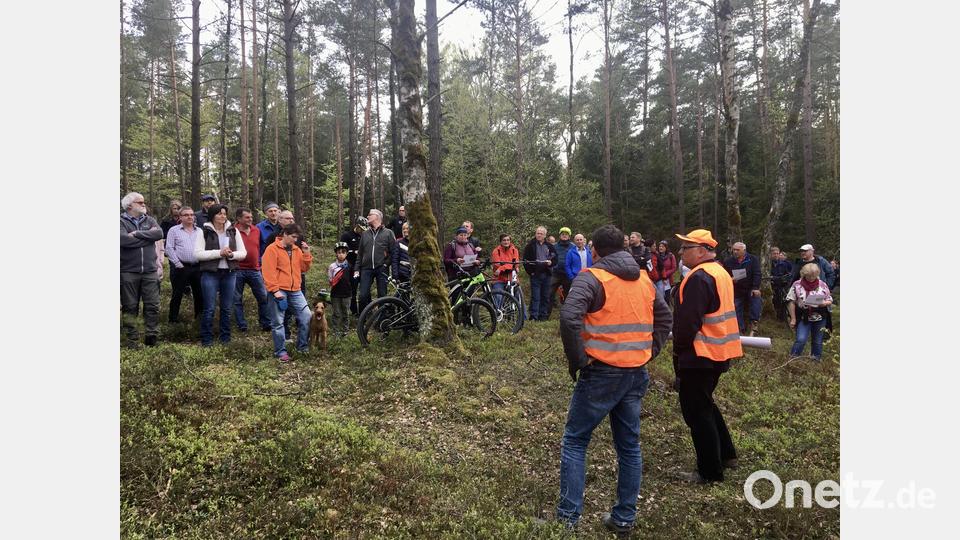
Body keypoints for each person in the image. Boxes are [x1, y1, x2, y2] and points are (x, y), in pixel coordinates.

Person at [556, 224, 672, 533]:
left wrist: (579, 360)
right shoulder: (645, 280)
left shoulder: (590, 277)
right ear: (623, 248)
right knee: (629, 447)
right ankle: (624, 518)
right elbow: (665, 318)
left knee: (575, 441)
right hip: (636, 373)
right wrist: (649, 351)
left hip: (602, 373)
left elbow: (568, 318)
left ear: (594, 249)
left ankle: (567, 520)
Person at [672, 229, 743, 484]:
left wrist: (678, 352)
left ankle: (710, 472)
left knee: (696, 412)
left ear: (701, 250)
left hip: (699, 355)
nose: (680, 253)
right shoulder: (720, 272)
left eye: (685, 248)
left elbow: (687, 322)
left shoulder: (700, 278)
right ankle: (727, 454)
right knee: (705, 404)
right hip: (717, 352)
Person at [193, 204, 246, 346]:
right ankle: (207, 340)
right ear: (212, 215)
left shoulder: (233, 231)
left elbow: (243, 253)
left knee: (227, 308)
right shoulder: (203, 231)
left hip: (229, 273)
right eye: (219, 214)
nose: (223, 216)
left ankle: (225, 338)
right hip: (210, 274)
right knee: (209, 308)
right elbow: (197, 254)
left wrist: (231, 255)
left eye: (224, 213)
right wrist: (219, 253)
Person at [262, 223, 313, 361]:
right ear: (284, 234)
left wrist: (307, 253)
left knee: (306, 316)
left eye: (297, 237)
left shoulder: (297, 250)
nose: (295, 240)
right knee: (278, 322)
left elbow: (303, 268)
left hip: (295, 290)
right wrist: (275, 290)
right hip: (279, 290)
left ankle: (302, 347)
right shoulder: (272, 249)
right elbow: (267, 271)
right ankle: (280, 352)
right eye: (293, 237)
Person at [120, 192, 163, 347]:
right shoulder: (120, 221)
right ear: (129, 205)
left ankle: (151, 337)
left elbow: (159, 233)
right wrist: (147, 239)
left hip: (150, 271)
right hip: (128, 271)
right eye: (140, 202)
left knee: (152, 306)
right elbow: (122, 240)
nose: (144, 204)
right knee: (130, 306)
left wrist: (137, 234)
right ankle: (131, 340)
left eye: (144, 202)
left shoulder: (150, 220)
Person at [233, 207, 271, 332]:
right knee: (237, 299)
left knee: (263, 297)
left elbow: (260, 247)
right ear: (239, 219)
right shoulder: (232, 231)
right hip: (237, 269)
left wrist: (260, 261)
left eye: (251, 217)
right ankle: (242, 325)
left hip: (255, 270)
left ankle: (265, 323)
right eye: (247, 217)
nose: (250, 219)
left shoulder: (256, 230)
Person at [787, 263, 834, 361]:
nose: (812, 278)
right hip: (803, 316)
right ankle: (792, 359)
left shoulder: (822, 284)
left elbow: (830, 299)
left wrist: (824, 303)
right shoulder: (797, 285)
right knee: (801, 339)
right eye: (809, 276)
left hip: (820, 316)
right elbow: (791, 301)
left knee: (817, 341)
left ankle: (815, 360)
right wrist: (793, 318)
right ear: (804, 274)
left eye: (814, 275)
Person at [164, 206, 204, 324]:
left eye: (191, 214)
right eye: (186, 215)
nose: (190, 217)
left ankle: (199, 319)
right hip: (181, 267)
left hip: (197, 267)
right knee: (177, 294)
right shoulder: (174, 230)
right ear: (180, 217)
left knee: (199, 294)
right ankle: (173, 320)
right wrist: (177, 263)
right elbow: (169, 248)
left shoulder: (200, 231)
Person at [356, 209, 397, 314]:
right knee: (363, 295)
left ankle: (381, 321)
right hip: (366, 268)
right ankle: (363, 319)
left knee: (382, 296)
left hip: (381, 269)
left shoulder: (388, 233)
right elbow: (360, 253)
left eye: (370, 215)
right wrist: (357, 268)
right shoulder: (365, 234)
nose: (367, 216)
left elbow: (394, 252)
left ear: (377, 217)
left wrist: (386, 264)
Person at [793, 243, 835, 334]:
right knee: (803, 310)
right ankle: (802, 331)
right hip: (803, 292)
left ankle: (825, 334)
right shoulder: (799, 262)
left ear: (812, 251)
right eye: (801, 251)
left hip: (819, 291)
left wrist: (827, 286)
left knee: (823, 311)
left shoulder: (820, 261)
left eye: (805, 251)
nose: (803, 253)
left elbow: (831, 273)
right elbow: (794, 276)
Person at [723, 241, 763, 336]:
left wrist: (755, 287)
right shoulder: (728, 261)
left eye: (737, 250)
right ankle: (740, 329)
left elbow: (757, 273)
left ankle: (754, 324)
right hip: (736, 289)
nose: (735, 252)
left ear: (744, 250)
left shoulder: (753, 259)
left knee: (756, 299)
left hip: (750, 287)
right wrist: (730, 279)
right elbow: (724, 275)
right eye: (734, 250)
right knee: (736, 306)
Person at [522, 226, 558, 321]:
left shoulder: (550, 246)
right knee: (536, 297)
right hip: (536, 275)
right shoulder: (530, 245)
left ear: (545, 235)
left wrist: (551, 263)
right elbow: (525, 260)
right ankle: (534, 316)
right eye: (538, 233)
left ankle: (543, 316)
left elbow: (555, 259)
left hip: (547, 274)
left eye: (541, 233)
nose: (539, 235)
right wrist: (531, 272)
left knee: (545, 296)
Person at [340, 217, 367, 315]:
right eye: (361, 228)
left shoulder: (364, 236)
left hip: (362, 266)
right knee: (353, 289)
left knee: (364, 290)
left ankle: (365, 311)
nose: (362, 231)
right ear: (357, 226)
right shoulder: (346, 235)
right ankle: (354, 311)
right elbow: (341, 250)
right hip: (350, 266)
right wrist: (353, 251)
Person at [548, 227, 574, 315]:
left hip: (567, 275)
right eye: (563, 234)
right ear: (560, 235)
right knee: (549, 293)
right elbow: (549, 258)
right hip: (555, 274)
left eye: (566, 234)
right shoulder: (554, 246)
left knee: (568, 296)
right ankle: (546, 314)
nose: (564, 235)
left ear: (569, 236)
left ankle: (566, 314)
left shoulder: (573, 247)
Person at [329, 242, 352, 337]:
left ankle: (345, 330)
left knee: (345, 312)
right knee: (336, 313)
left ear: (346, 254)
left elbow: (352, 279)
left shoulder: (350, 266)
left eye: (343, 252)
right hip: (335, 293)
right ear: (336, 253)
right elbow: (330, 279)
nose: (341, 254)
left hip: (346, 293)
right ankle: (336, 330)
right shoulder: (332, 266)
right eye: (339, 252)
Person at [770, 246, 794, 322]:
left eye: (777, 253)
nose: (776, 255)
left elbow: (789, 275)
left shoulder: (783, 264)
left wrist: (783, 279)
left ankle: (782, 320)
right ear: (770, 254)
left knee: (782, 303)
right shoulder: (767, 264)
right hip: (771, 286)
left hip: (781, 286)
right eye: (774, 253)